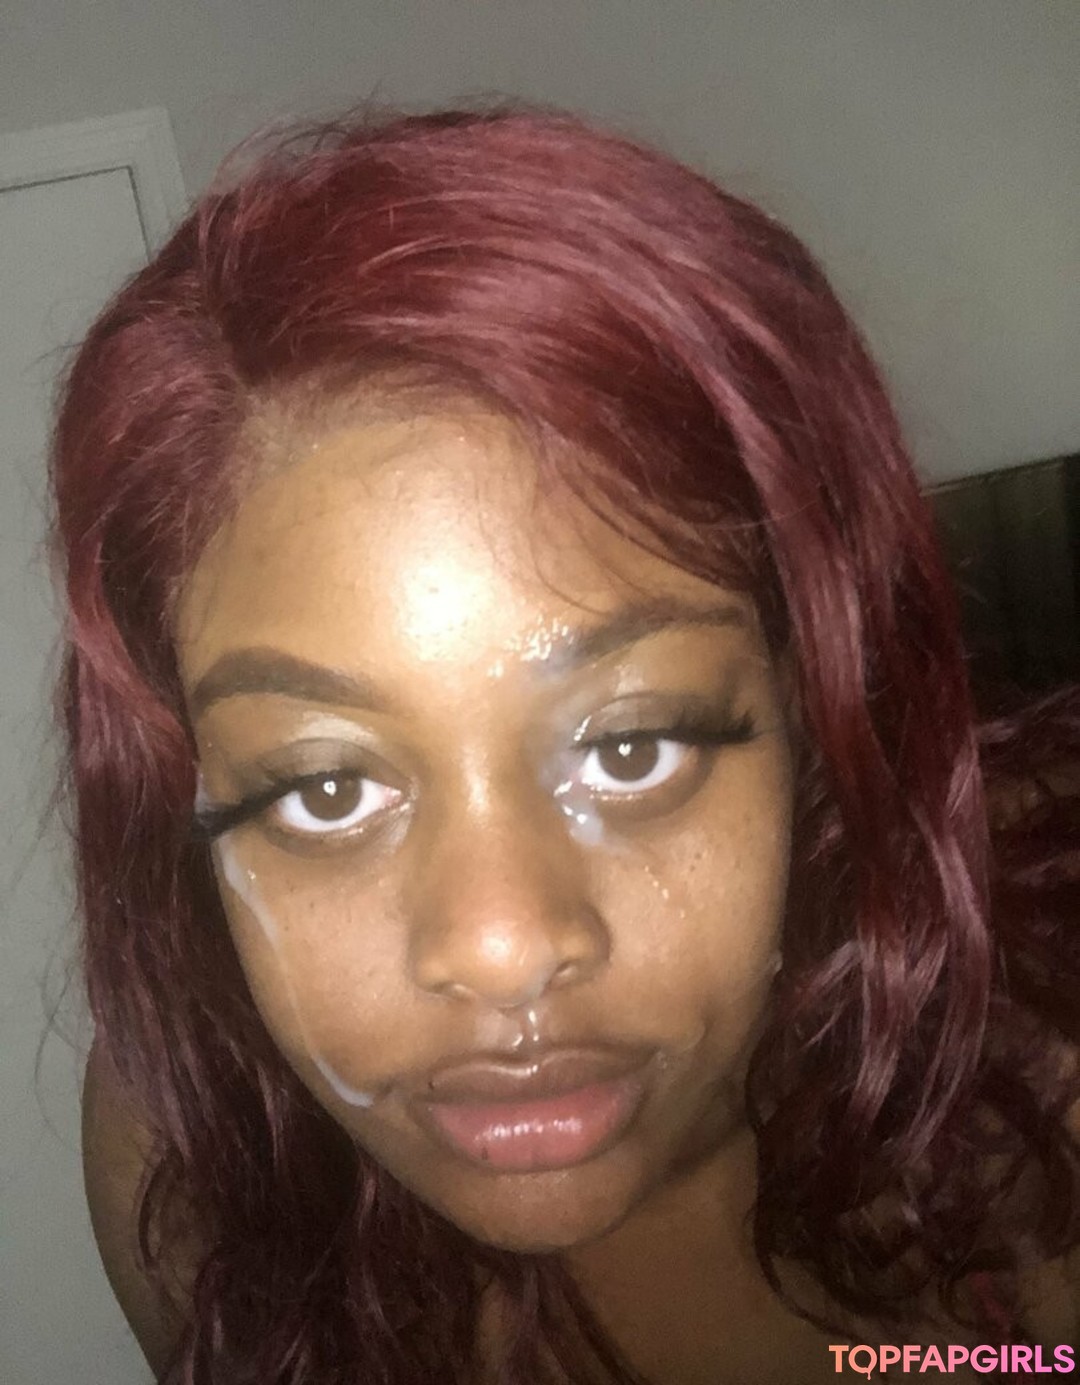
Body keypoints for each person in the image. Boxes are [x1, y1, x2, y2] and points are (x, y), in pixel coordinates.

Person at [61, 105, 1079, 1384]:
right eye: (325, 785)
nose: (502, 946)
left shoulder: (1035, 1082)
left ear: (815, 716)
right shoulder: (191, 1158)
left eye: (632, 748)